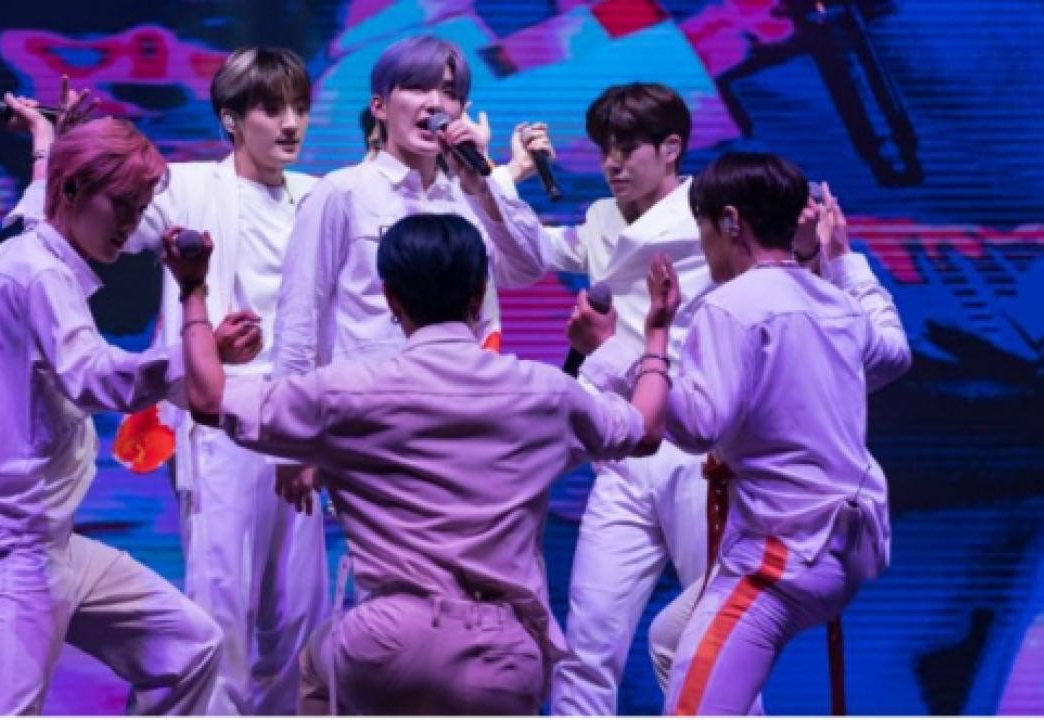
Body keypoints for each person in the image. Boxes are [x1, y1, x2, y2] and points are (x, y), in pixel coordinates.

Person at [169, 212, 679, 714]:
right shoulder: (544, 392)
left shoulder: (345, 392)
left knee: (315, 663)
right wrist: (655, 334)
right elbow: (646, 428)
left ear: (391, 298)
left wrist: (193, 289)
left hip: (385, 644)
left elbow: (209, 399)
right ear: (479, 295)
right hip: (503, 653)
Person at [1, 48, 328, 715]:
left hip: (297, 416)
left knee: (299, 616)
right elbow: (78, 226)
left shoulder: (322, 197)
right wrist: (58, 151)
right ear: (231, 119)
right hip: (220, 414)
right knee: (222, 605)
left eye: (299, 108)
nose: (291, 124)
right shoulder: (188, 188)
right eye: (272, 109)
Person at [590, 152, 910, 714]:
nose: (704, 243)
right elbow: (893, 354)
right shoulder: (836, 302)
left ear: (731, 221)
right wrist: (842, 258)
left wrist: (628, 348)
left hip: (781, 558)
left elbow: (696, 426)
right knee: (670, 639)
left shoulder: (730, 307)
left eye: (703, 226)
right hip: (847, 547)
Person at [0, 117, 224, 715]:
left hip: (53, 542)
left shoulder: (35, 242)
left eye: (140, 209)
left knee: (189, 647)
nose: (129, 224)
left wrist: (48, 144)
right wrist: (200, 348)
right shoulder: (38, 273)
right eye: (121, 205)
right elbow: (94, 377)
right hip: (10, 545)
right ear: (71, 191)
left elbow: (35, 206)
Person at [503, 82, 718, 713]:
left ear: (671, 148)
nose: (612, 164)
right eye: (605, 150)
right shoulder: (601, 219)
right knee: (588, 640)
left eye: (627, 149)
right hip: (622, 451)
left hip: (695, 449)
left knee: (711, 637)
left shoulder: (711, 218)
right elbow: (534, 250)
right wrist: (496, 180)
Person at [271, 34, 549, 503]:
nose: (434, 103)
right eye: (417, 87)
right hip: (371, 426)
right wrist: (290, 440)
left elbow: (527, 267)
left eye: (449, 93)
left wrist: (483, 187)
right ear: (379, 106)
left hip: (463, 421)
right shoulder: (342, 193)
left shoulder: (470, 195)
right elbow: (301, 316)